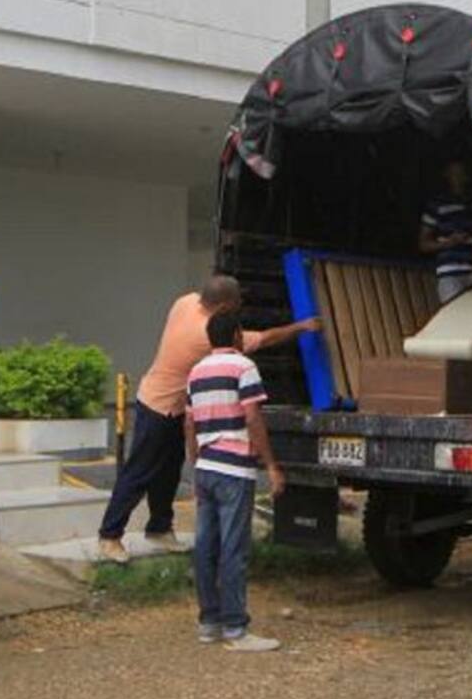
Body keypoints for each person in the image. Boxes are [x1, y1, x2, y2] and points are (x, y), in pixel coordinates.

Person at [97, 275, 319, 564]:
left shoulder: (185, 302)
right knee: (140, 472)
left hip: (166, 402)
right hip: (159, 406)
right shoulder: (205, 334)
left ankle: (160, 528)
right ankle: (109, 535)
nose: (241, 305)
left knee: (167, 472)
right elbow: (264, 339)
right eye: (238, 301)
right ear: (225, 305)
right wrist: (303, 327)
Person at [186, 311, 282, 652]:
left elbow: (190, 424)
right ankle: (236, 629)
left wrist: (195, 465)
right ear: (238, 335)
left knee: (205, 547)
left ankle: (209, 622)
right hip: (234, 470)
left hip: (207, 467)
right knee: (233, 548)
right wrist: (270, 464)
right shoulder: (244, 368)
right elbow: (252, 416)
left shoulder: (195, 372)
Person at [419, 159, 472, 305]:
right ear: (446, 176)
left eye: (461, 174)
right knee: (453, 317)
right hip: (449, 273)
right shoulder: (436, 205)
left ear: (467, 176)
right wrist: (450, 242)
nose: (457, 178)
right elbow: (423, 244)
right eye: (454, 174)